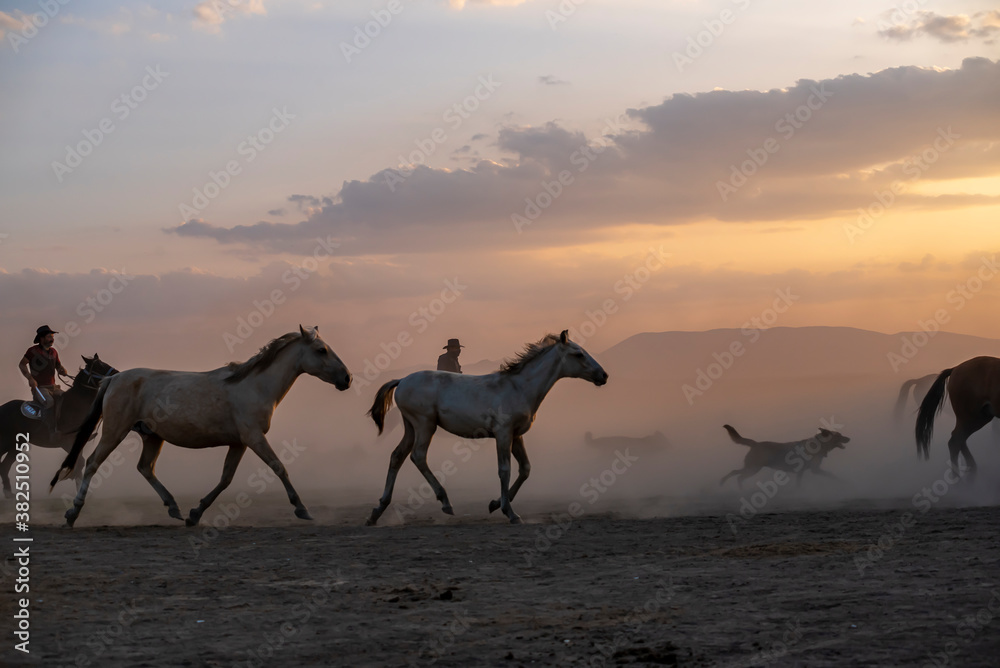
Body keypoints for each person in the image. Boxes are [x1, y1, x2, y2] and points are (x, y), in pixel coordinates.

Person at [18, 325, 68, 432]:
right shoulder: (32, 351)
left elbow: (58, 366)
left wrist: (62, 370)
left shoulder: (54, 351)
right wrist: (30, 378)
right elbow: (22, 364)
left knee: (67, 399)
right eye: (49, 336)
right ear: (42, 338)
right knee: (49, 402)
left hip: (54, 387)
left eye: (52, 336)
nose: (52, 339)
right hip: (40, 388)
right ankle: (50, 430)